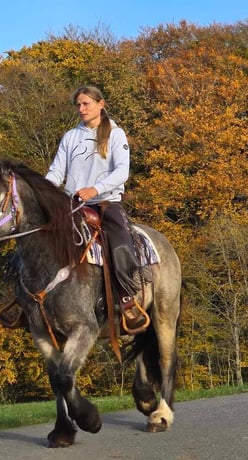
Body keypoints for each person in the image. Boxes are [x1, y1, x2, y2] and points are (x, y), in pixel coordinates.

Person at [44, 85, 148, 332]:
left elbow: (121, 172)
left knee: (119, 242)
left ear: (101, 104)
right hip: (71, 204)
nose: (81, 109)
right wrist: (43, 193)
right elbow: (57, 171)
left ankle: (126, 298)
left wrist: (95, 189)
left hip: (105, 202)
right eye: (78, 105)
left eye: (85, 103)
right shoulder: (70, 136)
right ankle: (29, 299)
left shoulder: (115, 134)